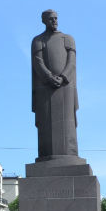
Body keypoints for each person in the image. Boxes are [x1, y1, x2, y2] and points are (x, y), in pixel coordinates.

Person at [31, 9, 80, 160]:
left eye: (56, 18)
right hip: (45, 89)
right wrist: (49, 77)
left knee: (68, 126)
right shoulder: (38, 41)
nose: (54, 21)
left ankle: (69, 154)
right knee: (46, 125)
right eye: (51, 19)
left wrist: (63, 77)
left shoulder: (68, 39)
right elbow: (37, 62)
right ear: (44, 21)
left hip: (65, 88)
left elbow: (72, 61)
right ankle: (47, 155)